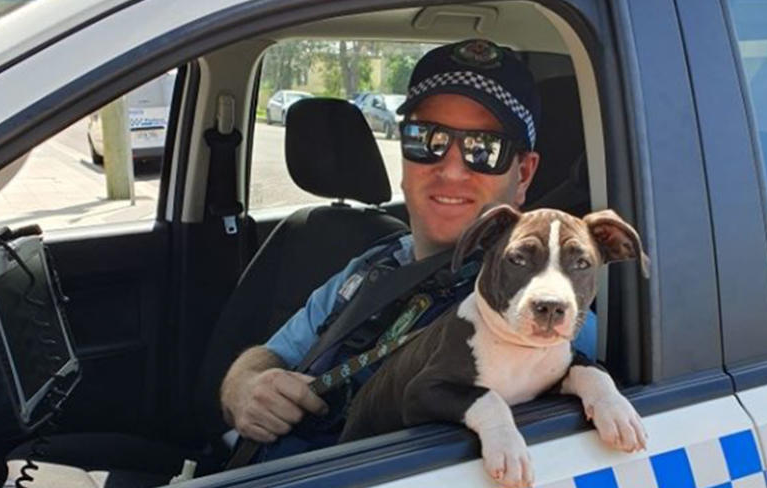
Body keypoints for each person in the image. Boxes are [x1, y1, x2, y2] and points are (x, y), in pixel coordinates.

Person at [219, 38, 598, 455]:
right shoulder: (372, 265)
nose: (451, 169)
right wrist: (246, 386)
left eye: (484, 149)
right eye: (427, 138)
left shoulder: (548, 316)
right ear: (403, 155)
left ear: (523, 174)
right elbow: (273, 353)